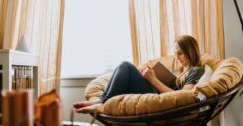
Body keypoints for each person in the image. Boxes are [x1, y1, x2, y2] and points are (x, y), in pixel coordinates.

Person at [73, 35, 204, 113]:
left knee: (126, 66)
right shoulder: (181, 69)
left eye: (180, 53)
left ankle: (103, 102)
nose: (177, 57)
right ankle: (103, 99)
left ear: (190, 51)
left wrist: (153, 79)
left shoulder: (196, 71)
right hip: (155, 92)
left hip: (159, 100)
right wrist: (146, 74)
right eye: (175, 53)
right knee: (128, 69)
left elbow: (183, 97)